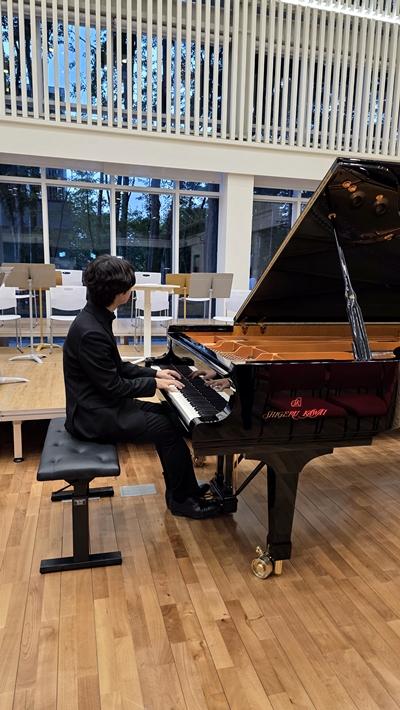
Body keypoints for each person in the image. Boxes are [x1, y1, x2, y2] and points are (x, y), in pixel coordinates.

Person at [63, 254, 219, 520]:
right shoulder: (91, 331)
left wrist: (155, 372)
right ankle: (182, 500)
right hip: (94, 416)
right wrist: (155, 383)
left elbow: (116, 367)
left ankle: (183, 490)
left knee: (172, 417)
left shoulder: (95, 318)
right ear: (119, 293)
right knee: (169, 429)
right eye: (129, 287)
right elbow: (113, 386)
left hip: (101, 405)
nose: (131, 291)